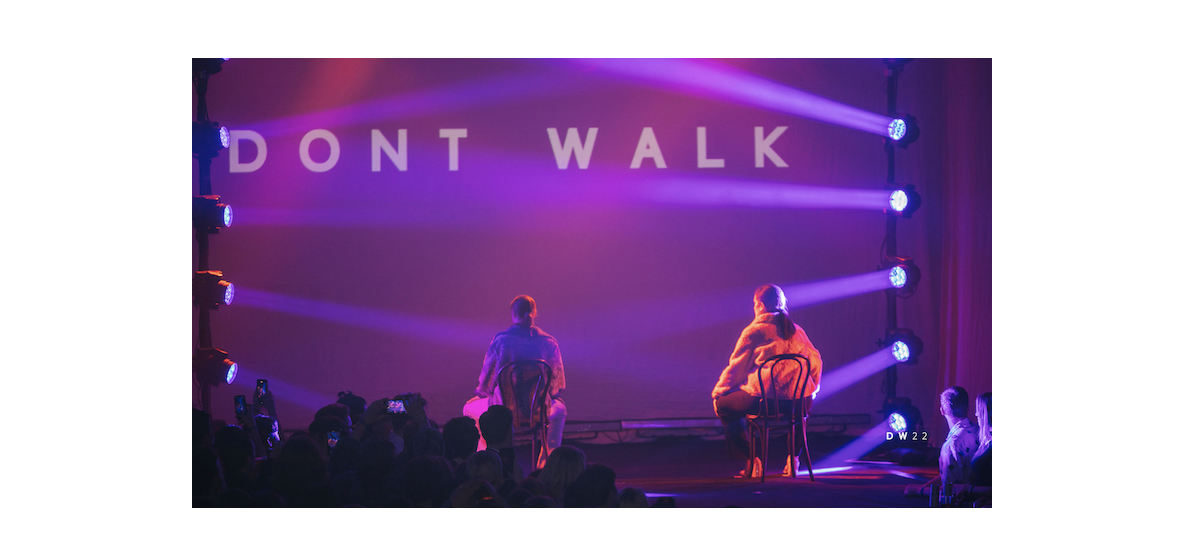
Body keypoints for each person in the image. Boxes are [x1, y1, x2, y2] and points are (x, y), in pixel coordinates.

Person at [712, 284, 823, 478]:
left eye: (755, 304)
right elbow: (816, 361)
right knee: (802, 413)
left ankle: (752, 458)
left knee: (722, 405)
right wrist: (813, 388)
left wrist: (720, 390)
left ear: (761, 306)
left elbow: (737, 368)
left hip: (764, 402)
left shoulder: (754, 331)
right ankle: (793, 459)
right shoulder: (797, 331)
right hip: (797, 402)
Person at [462, 295, 566, 469]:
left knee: (469, 409)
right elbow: (557, 383)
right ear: (533, 312)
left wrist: (480, 394)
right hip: (537, 412)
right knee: (560, 410)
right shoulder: (548, 342)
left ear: (513, 313)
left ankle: (484, 458)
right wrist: (553, 395)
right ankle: (547, 466)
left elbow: (488, 379)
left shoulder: (501, 341)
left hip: (503, 410)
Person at [904, 386, 981, 498]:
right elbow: (954, 472)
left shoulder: (952, 445)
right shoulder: (979, 431)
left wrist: (919, 491)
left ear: (942, 411)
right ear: (968, 408)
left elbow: (948, 492)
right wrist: (924, 487)